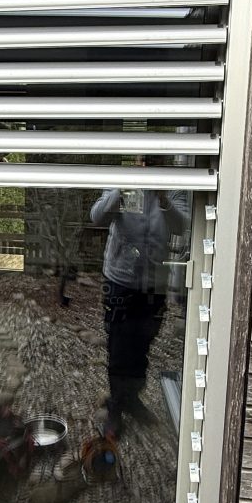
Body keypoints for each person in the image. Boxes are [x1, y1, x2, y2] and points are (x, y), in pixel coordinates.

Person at [90, 177, 189, 437]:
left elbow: (182, 227)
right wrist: (121, 190)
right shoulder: (123, 179)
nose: (148, 161)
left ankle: (132, 399)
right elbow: (97, 216)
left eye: (155, 159)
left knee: (143, 344)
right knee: (118, 346)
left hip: (155, 284)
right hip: (120, 280)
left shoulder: (174, 186)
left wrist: (163, 199)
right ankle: (115, 408)